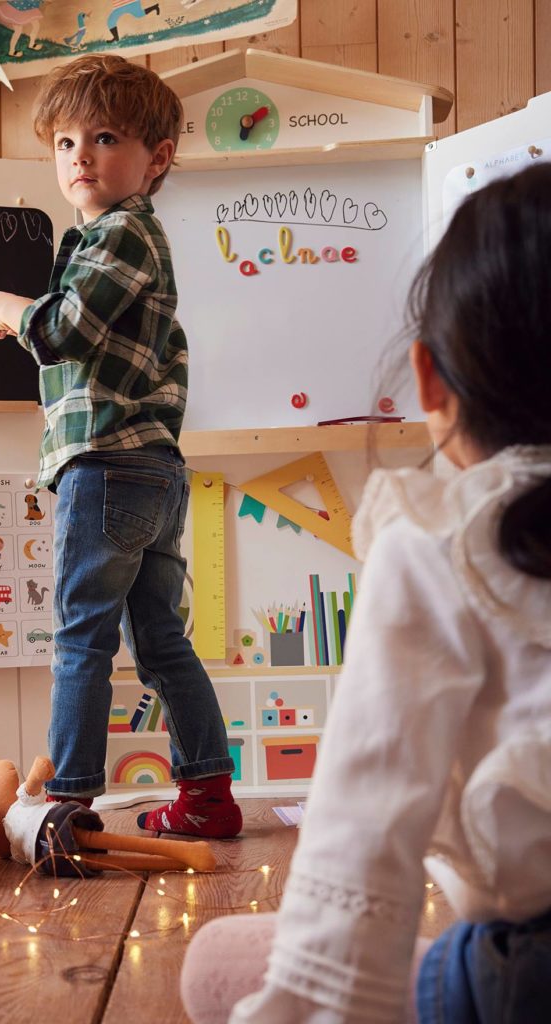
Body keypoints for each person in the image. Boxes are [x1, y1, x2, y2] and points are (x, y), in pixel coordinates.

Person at [181, 161, 551, 1023]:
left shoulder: (438, 539)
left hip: (528, 970)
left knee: (215, 963)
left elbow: (364, 830)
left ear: (429, 384)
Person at [0, 54, 241, 839]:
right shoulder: (121, 237)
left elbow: (64, 330)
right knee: (159, 638)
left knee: (80, 635)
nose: (80, 158)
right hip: (150, 472)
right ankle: (207, 796)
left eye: (102, 138)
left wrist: (9, 308)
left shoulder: (121, 234)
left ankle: (68, 802)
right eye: (64, 143)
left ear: (156, 158)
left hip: (109, 465)